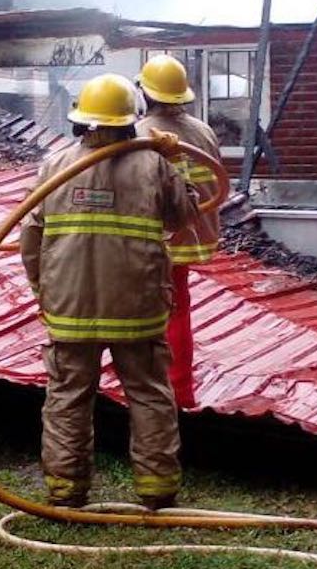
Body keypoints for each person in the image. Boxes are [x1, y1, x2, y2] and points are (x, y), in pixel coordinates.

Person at [20, 73, 198, 510]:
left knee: (67, 397)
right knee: (149, 394)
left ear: (81, 119)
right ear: (130, 118)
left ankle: (66, 489)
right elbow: (184, 215)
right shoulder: (153, 164)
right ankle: (157, 489)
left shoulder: (55, 166)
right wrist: (176, 160)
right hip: (137, 308)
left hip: (70, 307)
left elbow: (30, 237)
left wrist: (44, 290)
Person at [135, 55, 222, 410]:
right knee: (177, 308)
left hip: (157, 238)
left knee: (151, 316)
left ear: (145, 93)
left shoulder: (140, 134)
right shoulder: (203, 130)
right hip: (193, 234)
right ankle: (180, 390)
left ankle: (167, 392)